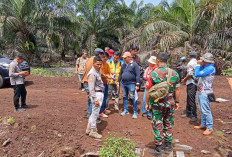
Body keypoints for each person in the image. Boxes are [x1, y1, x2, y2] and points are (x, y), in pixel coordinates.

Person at [145, 52, 180, 155]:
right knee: (168, 123)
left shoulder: (154, 73)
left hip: (157, 104)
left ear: (158, 60)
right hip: (170, 103)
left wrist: (146, 103)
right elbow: (177, 90)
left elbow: (149, 90)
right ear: (167, 61)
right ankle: (168, 145)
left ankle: (159, 146)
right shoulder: (174, 73)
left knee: (157, 123)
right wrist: (177, 101)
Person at [194, 53, 215, 136]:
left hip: (205, 92)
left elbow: (197, 74)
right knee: (201, 109)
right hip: (201, 91)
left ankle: (209, 127)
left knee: (206, 110)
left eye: (203, 60)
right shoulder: (206, 67)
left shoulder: (210, 68)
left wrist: (197, 65)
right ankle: (203, 124)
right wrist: (201, 64)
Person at [82, 48, 104, 117]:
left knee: (90, 99)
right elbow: (97, 74)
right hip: (91, 83)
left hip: (86, 81)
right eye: (102, 55)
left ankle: (90, 114)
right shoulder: (96, 61)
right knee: (94, 100)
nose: (102, 56)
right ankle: (93, 117)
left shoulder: (88, 59)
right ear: (99, 54)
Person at [85, 56, 104, 139]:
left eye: (100, 64)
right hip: (96, 94)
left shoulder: (97, 71)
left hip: (98, 93)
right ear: (93, 64)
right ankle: (93, 130)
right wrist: (95, 99)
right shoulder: (92, 73)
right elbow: (91, 88)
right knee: (95, 114)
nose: (99, 66)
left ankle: (88, 129)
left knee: (94, 113)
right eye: (97, 64)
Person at [117, 52, 140, 119]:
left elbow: (138, 75)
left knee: (133, 97)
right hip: (124, 83)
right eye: (123, 58)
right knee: (124, 97)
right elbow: (120, 74)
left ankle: (135, 112)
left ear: (129, 57)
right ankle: (125, 110)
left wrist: (137, 84)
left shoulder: (135, 65)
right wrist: (118, 82)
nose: (124, 59)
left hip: (131, 84)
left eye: (125, 58)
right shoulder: (123, 65)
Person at [181, 51, 198, 122]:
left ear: (189, 56)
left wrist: (184, 79)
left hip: (191, 82)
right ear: (196, 56)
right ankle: (188, 112)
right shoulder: (197, 62)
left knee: (191, 98)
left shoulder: (191, 63)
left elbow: (190, 74)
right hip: (195, 82)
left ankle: (194, 115)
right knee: (189, 97)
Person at [99, 52, 111, 118]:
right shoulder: (99, 65)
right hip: (101, 83)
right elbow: (101, 74)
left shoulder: (106, 64)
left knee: (105, 96)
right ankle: (100, 111)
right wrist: (107, 76)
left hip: (106, 82)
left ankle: (103, 109)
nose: (106, 60)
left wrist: (111, 75)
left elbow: (109, 72)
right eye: (105, 59)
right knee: (101, 97)